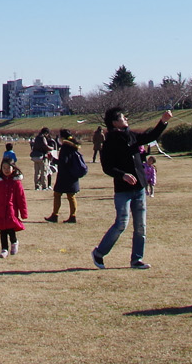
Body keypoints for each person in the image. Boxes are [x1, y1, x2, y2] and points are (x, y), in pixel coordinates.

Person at [90, 106, 171, 270]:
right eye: (122, 118)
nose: (126, 119)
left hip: (140, 188)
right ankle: (99, 253)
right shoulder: (110, 142)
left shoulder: (132, 136)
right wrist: (123, 175)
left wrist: (163, 121)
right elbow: (107, 167)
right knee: (121, 223)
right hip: (123, 190)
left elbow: (150, 136)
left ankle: (137, 260)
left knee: (141, 226)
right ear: (114, 123)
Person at [0, 160, 29, 257]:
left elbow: (21, 199)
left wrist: (24, 213)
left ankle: (14, 242)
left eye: (8, 168)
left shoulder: (16, 183)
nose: (6, 170)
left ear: (13, 169)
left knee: (10, 229)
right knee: (2, 231)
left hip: (11, 212)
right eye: (4, 168)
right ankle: (4, 249)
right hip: (0, 211)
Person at [46, 129, 87, 223]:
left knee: (57, 194)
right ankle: (73, 216)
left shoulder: (65, 147)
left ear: (62, 137)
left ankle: (55, 215)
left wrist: (53, 159)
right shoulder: (73, 146)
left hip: (64, 176)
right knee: (71, 196)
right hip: (72, 175)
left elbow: (63, 162)